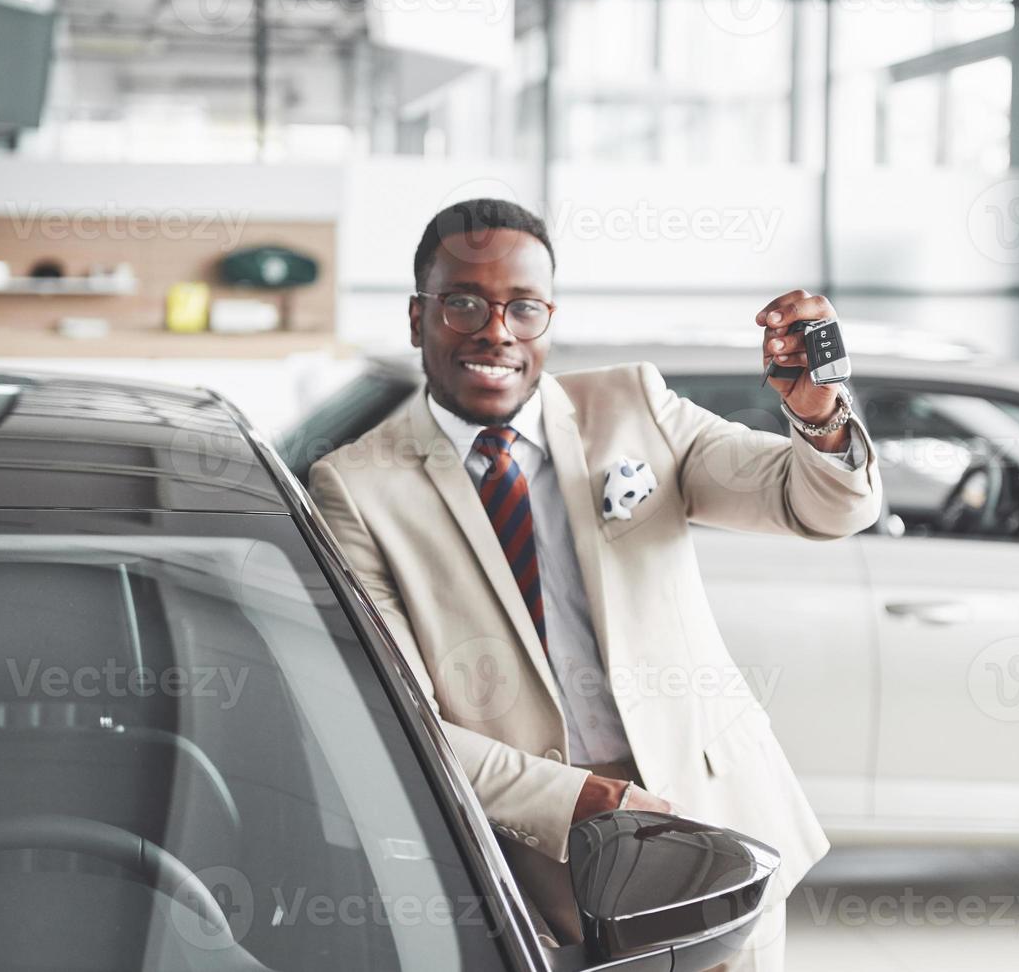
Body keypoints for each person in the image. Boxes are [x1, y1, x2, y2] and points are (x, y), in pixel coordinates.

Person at [309, 198, 882, 970]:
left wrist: (819, 416)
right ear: (418, 318)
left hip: (714, 823)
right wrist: (584, 802)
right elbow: (399, 721)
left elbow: (818, 506)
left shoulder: (633, 403)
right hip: (544, 856)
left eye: (523, 307)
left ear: (548, 318)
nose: (495, 331)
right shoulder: (357, 486)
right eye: (464, 303)